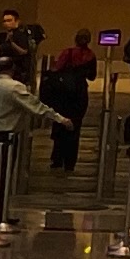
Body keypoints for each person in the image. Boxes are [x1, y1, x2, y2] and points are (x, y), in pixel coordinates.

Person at [0, 56, 45, 244]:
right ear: (13, 69)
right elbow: (35, 107)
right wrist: (60, 119)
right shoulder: (15, 87)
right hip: (4, 136)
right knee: (1, 176)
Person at [41, 43, 94, 175]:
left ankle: (57, 159)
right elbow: (92, 76)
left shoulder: (68, 52)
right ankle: (70, 162)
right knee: (75, 130)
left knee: (59, 125)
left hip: (62, 93)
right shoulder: (90, 55)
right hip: (79, 93)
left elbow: (58, 67)